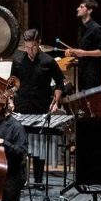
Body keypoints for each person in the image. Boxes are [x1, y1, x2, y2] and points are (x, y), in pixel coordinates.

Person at [11, 29, 65, 187]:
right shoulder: (18, 60)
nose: (30, 50)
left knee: (38, 147)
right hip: (21, 107)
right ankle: (21, 179)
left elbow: (59, 82)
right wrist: (12, 101)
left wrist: (55, 101)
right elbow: (12, 83)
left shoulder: (48, 61)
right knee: (20, 145)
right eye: (27, 47)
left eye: (33, 47)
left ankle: (39, 180)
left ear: (39, 43)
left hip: (40, 108)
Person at [65, 0, 101, 91]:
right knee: (82, 100)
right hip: (82, 69)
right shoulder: (81, 28)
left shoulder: (96, 28)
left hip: (92, 72)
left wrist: (84, 53)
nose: (77, 9)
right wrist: (73, 52)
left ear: (89, 10)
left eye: (81, 7)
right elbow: (83, 48)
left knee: (91, 101)